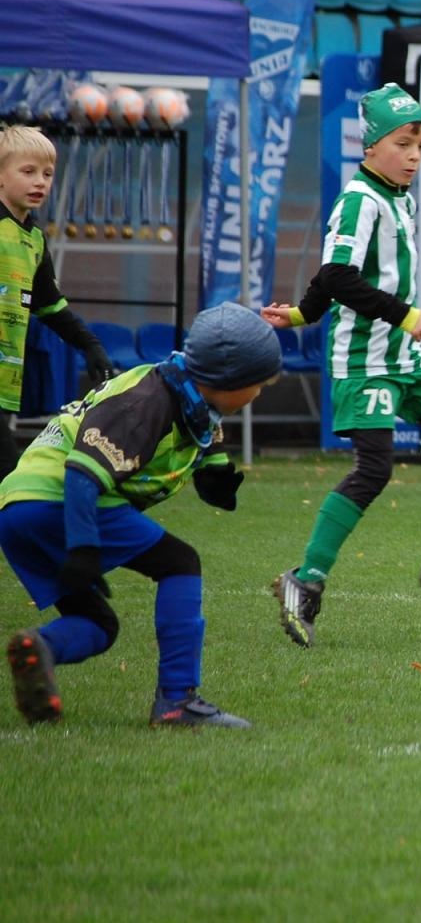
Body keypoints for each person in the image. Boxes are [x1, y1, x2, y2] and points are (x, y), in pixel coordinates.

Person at [262, 83, 421, 647]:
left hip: (405, 358)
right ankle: (306, 580)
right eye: (404, 143)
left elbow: (329, 277)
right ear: (372, 147)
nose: (415, 156)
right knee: (375, 469)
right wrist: (406, 314)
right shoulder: (359, 200)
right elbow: (339, 275)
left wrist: (300, 314)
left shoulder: (399, 197)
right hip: (365, 360)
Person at [3, 302, 280, 728]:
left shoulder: (186, 392)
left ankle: (38, 649)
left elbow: (203, 438)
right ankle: (176, 700)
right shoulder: (146, 402)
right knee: (179, 563)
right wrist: (83, 546)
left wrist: (218, 479)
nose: (259, 394)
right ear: (228, 379)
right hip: (62, 497)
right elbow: (81, 473)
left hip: (16, 509)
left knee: (98, 623)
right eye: (258, 385)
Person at [0, 125, 116, 480]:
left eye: (48, 174)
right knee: (10, 475)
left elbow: (51, 307)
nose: (40, 182)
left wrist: (90, 345)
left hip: (5, 381)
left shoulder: (33, 238)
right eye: (28, 171)